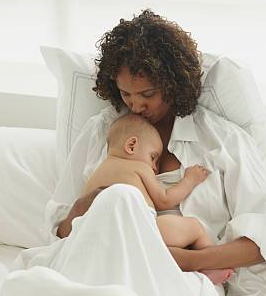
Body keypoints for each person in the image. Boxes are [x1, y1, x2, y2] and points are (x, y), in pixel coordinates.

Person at [37, 9, 266, 296]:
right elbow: (60, 231)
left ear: (172, 84)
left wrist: (183, 260)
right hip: (103, 261)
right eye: (125, 94)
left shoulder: (221, 141)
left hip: (185, 279)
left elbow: (264, 241)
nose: (136, 106)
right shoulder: (102, 133)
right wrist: (86, 206)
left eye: (147, 94)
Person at [84, 113, 234, 284]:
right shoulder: (139, 166)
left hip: (101, 236)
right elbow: (164, 199)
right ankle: (209, 267)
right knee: (194, 227)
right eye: (153, 157)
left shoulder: (95, 174)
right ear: (131, 145)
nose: (155, 168)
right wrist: (189, 181)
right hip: (137, 227)